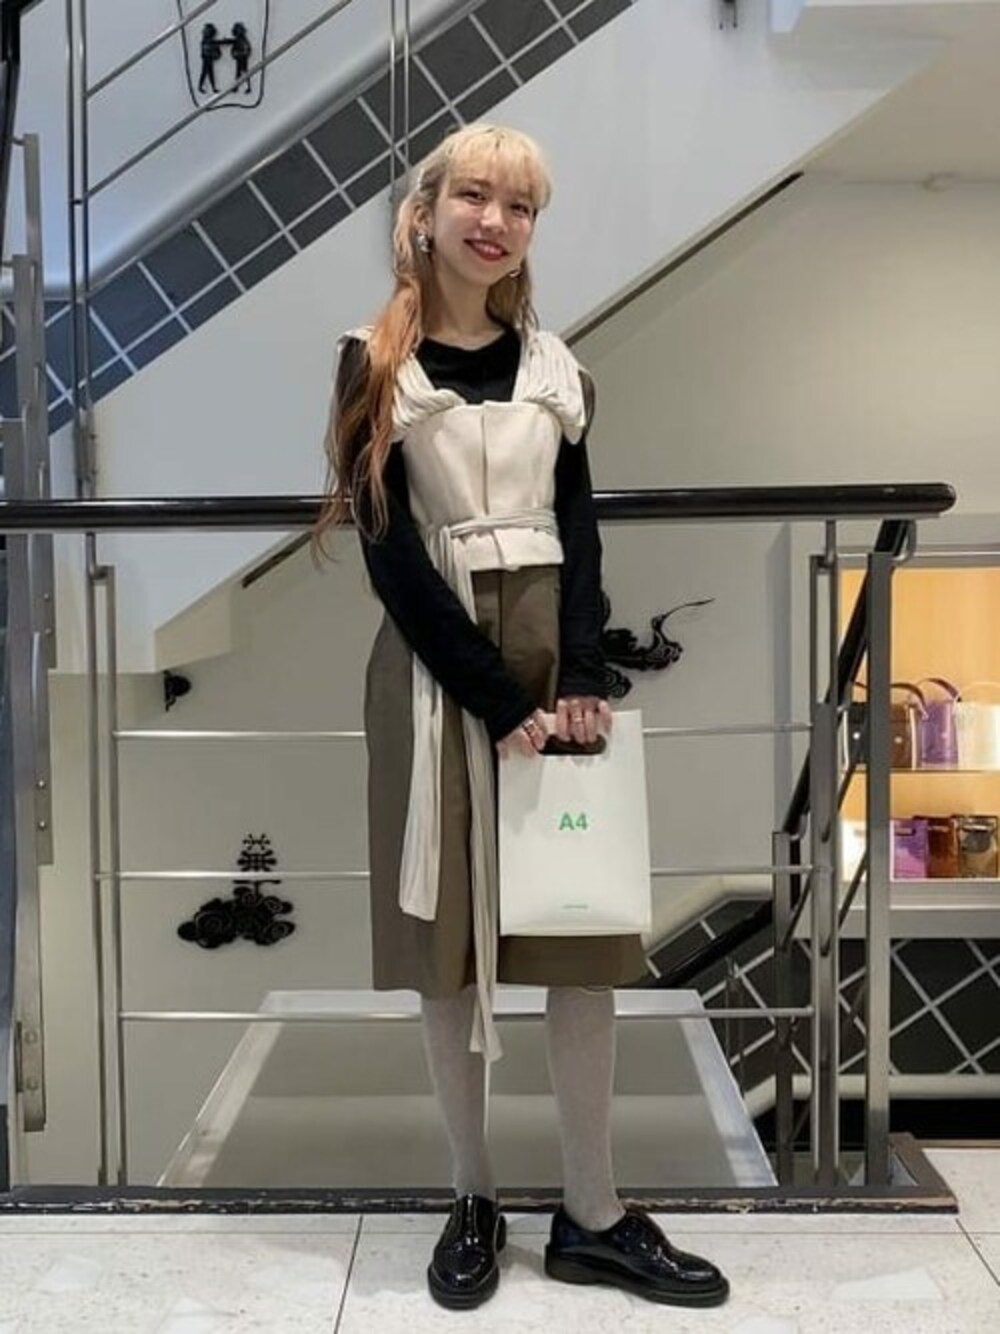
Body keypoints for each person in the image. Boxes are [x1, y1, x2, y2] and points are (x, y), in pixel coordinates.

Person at [314, 123, 729, 1312]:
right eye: (475, 196)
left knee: (580, 934)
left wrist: (582, 669)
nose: (495, 221)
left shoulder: (555, 364)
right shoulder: (371, 364)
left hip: (554, 660)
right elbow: (390, 556)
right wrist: (493, 698)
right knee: (448, 950)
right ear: (426, 212)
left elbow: (580, 529)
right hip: (434, 674)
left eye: (520, 204)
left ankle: (593, 1212)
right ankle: (472, 1196)